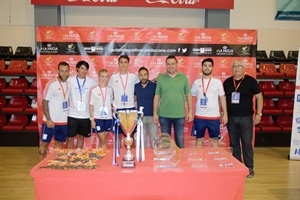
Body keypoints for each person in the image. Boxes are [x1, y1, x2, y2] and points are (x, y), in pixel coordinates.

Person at [223, 60, 263, 178]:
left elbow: (259, 97)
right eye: (234, 66)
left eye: (239, 66)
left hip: (246, 117)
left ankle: (249, 168)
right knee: (234, 143)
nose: (236, 68)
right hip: (231, 117)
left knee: (246, 143)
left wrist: (259, 113)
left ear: (243, 68)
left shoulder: (251, 81)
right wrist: (223, 112)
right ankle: (237, 167)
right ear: (232, 69)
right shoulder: (227, 82)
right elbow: (223, 98)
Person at [153, 55, 193, 148]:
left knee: (180, 142)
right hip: (164, 115)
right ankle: (166, 162)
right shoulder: (161, 78)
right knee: (165, 143)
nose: (170, 66)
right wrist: (155, 113)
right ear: (165, 65)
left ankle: (181, 162)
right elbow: (157, 96)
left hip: (179, 115)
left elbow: (188, 95)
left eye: (173, 64)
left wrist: (190, 111)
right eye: (168, 64)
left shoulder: (183, 78)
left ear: (176, 64)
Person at [191, 58, 228, 148]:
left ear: (212, 68)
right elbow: (191, 96)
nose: (207, 68)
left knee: (214, 141)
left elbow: (222, 97)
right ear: (202, 67)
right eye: (205, 65)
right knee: (199, 140)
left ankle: (215, 162)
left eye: (209, 66)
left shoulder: (217, 82)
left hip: (214, 117)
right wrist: (190, 111)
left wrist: (225, 114)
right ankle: (198, 161)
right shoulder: (196, 82)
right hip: (199, 116)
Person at [39, 61, 70, 160]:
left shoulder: (69, 84)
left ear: (69, 71)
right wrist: (48, 119)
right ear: (58, 71)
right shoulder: (51, 84)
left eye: (66, 71)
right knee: (44, 144)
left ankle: (56, 167)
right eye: (62, 71)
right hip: (50, 122)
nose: (64, 73)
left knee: (59, 145)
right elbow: (45, 101)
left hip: (63, 122)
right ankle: (40, 167)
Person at [66, 60, 97, 149]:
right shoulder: (70, 80)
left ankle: (77, 157)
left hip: (86, 115)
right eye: (82, 68)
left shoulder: (92, 82)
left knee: (81, 137)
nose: (84, 71)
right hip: (72, 114)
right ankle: (68, 157)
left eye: (86, 69)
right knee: (70, 138)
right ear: (77, 69)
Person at [108, 55, 139, 135]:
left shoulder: (134, 77)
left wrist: (133, 99)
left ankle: (130, 148)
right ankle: (118, 148)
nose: (123, 64)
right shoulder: (113, 77)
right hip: (118, 108)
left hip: (130, 108)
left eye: (125, 62)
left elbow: (138, 91)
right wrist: (113, 103)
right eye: (121, 62)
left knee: (130, 134)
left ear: (128, 64)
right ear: (118, 63)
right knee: (117, 135)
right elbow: (109, 92)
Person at [89, 69, 113, 149]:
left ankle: (99, 158)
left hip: (108, 118)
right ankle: (105, 159)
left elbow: (112, 103)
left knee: (102, 140)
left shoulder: (110, 89)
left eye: (106, 76)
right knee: (103, 141)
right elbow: (91, 105)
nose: (104, 78)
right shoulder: (94, 90)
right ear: (99, 77)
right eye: (102, 76)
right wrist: (92, 119)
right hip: (98, 118)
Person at [134, 67, 157, 148]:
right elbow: (133, 99)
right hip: (141, 118)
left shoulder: (154, 86)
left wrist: (156, 114)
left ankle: (152, 159)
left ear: (148, 75)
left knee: (153, 141)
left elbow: (158, 100)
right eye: (141, 75)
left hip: (152, 117)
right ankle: (143, 160)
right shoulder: (136, 87)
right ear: (138, 76)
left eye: (145, 75)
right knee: (141, 142)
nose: (143, 77)